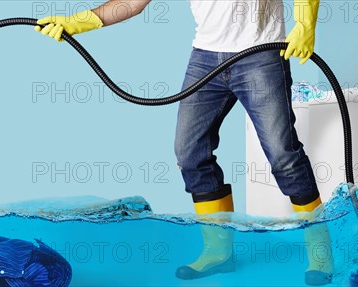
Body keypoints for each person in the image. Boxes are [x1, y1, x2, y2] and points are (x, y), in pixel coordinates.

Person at [34, 0, 333, 285]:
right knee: (189, 153)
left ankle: (320, 250)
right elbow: (133, 3)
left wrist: (306, 24)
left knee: (283, 154)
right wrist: (77, 22)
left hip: (260, 55)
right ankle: (218, 250)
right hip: (205, 57)